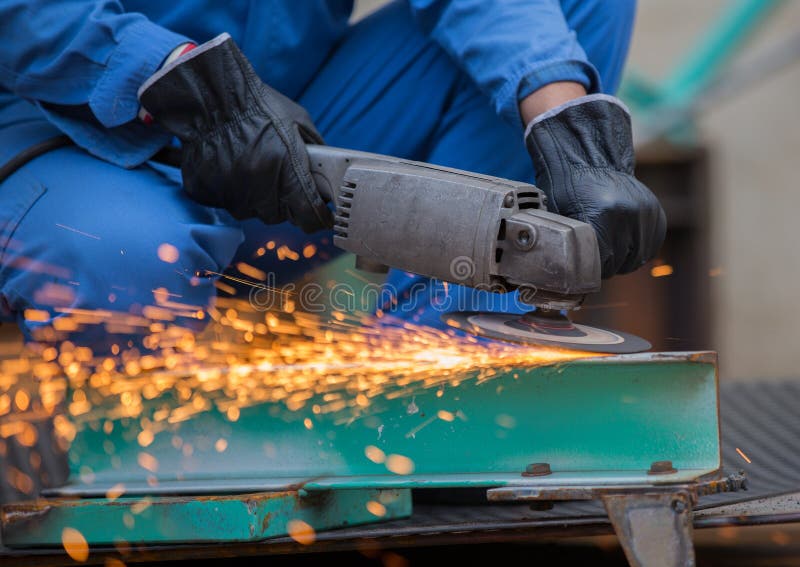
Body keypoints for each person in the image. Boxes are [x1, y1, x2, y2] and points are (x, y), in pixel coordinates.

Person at [0, 0, 665, 343]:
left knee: (568, 15)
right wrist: (177, 77)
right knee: (127, 255)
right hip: (63, 137)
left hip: (283, 145)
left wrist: (562, 120)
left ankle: (435, 384)